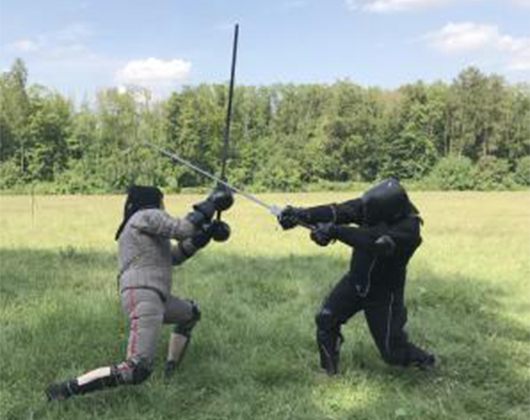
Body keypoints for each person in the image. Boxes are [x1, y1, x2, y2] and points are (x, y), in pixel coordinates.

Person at [46, 185, 233, 401]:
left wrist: (202, 238)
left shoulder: (142, 227)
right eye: (163, 202)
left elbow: (174, 256)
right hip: (144, 294)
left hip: (153, 296)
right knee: (136, 369)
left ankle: (170, 370)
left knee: (190, 313)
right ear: (154, 201)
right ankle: (64, 390)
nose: (164, 207)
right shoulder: (146, 214)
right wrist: (210, 203)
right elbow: (183, 229)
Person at [278, 178, 435, 375]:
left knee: (392, 353)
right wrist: (301, 215)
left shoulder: (409, 230)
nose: (365, 214)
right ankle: (329, 373)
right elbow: (340, 211)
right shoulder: (375, 207)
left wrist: (334, 231)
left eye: (370, 213)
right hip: (356, 281)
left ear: (390, 211)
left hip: (384, 294)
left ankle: (427, 362)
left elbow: (374, 242)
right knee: (326, 319)